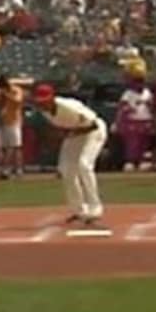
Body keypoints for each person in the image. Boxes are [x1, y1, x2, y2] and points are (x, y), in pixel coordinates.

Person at [30, 83, 106, 228]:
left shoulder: (68, 107)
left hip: (93, 131)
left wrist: (68, 134)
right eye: (40, 101)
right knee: (66, 169)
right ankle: (79, 210)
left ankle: (95, 210)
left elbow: (92, 125)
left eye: (45, 100)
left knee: (84, 165)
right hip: (74, 132)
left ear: (52, 97)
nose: (43, 104)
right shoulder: (43, 111)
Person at [0, 75, 24, 180]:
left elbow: (18, 101)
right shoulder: (0, 93)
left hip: (14, 121)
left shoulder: (15, 90)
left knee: (16, 147)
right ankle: (8, 170)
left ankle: (16, 169)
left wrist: (7, 94)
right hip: (3, 122)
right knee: (5, 148)